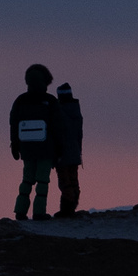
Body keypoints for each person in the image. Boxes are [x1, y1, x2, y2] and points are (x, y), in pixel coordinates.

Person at [9, 64, 60, 221]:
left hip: (27, 148)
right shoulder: (50, 101)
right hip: (46, 148)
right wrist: (59, 148)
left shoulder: (20, 100)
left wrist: (15, 145)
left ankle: (20, 210)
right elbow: (58, 127)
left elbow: (14, 123)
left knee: (27, 179)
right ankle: (39, 212)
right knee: (42, 180)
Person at [52, 82, 84, 217]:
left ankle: (67, 209)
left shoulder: (58, 112)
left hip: (62, 153)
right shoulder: (76, 111)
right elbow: (79, 134)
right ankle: (72, 205)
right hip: (75, 152)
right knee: (73, 179)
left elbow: (57, 134)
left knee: (64, 182)